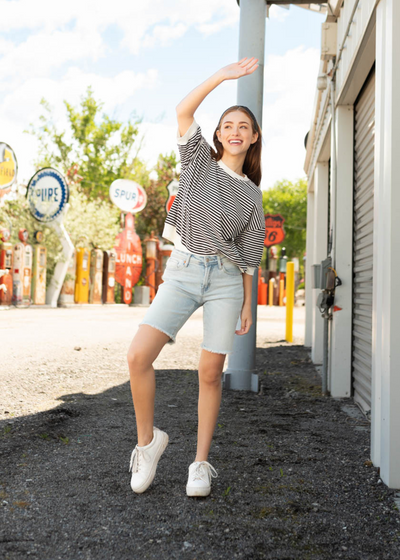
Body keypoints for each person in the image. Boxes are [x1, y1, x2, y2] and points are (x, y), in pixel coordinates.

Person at [127, 58, 265, 497]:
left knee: (210, 372)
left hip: (226, 280)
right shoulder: (197, 160)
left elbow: (249, 256)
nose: (235, 131)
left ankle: (200, 464)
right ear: (219, 134)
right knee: (137, 357)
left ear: (254, 138)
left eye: (244, 126)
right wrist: (222, 77)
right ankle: (148, 444)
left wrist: (247, 302)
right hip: (184, 271)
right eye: (228, 124)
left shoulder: (253, 195)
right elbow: (184, 111)